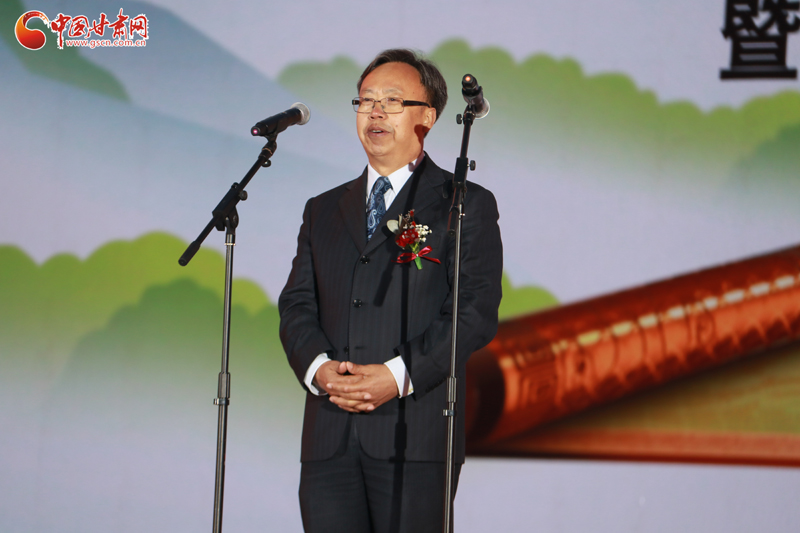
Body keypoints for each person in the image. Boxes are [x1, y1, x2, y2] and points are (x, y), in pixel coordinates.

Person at [278, 48, 502, 533]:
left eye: (392, 101)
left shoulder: (462, 204)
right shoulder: (322, 209)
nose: (375, 112)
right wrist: (319, 370)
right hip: (329, 436)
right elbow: (297, 305)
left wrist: (397, 376)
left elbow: (474, 311)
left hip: (415, 437)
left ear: (428, 117)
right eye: (366, 100)